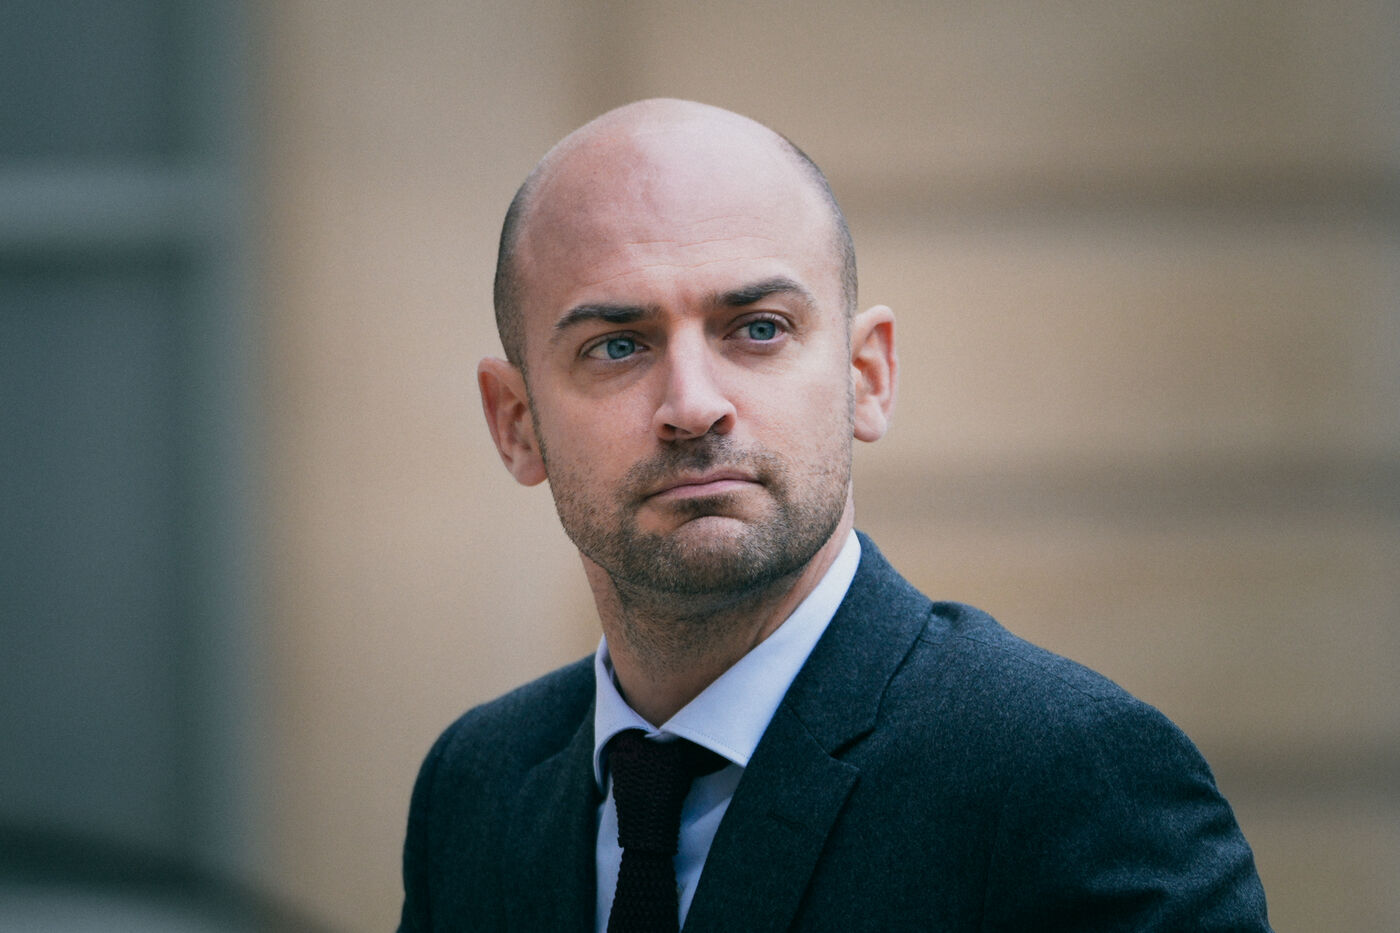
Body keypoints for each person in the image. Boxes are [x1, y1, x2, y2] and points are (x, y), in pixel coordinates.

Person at [397, 98, 1271, 932]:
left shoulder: (1063, 774)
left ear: (867, 377)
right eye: (617, 345)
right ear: (516, 422)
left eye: (759, 328)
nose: (693, 405)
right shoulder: (475, 785)